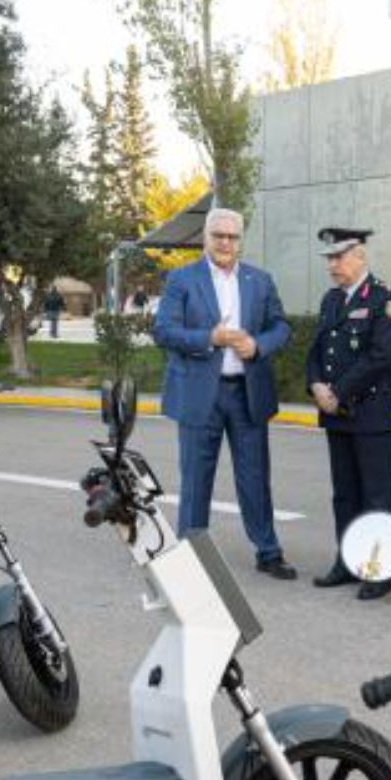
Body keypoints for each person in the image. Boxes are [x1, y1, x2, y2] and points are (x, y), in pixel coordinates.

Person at [151, 207, 297, 580]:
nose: (225, 243)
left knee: (255, 477)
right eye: (219, 235)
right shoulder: (182, 279)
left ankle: (268, 551)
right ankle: (190, 556)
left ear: (240, 241)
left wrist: (258, 346)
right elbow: (164, 330)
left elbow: (281, 327)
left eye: (232, 237)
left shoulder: (259, 280)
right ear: (206, 237)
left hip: (247, 393)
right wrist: (209, 338)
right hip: (201, 394)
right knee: (196, 479)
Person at [307, 227, 391, 601]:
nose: (332, 265)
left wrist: (338, 391)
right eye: (329, 258)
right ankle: (348, 561)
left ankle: (379, 570)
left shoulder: (384, 298)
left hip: (370, 412)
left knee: (376, 496)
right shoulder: (331, 299)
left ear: (360, 257)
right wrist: (316, 384)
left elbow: (380, 356)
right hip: (337, 414)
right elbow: (317, 350)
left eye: (338, 257)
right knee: (344, 494)